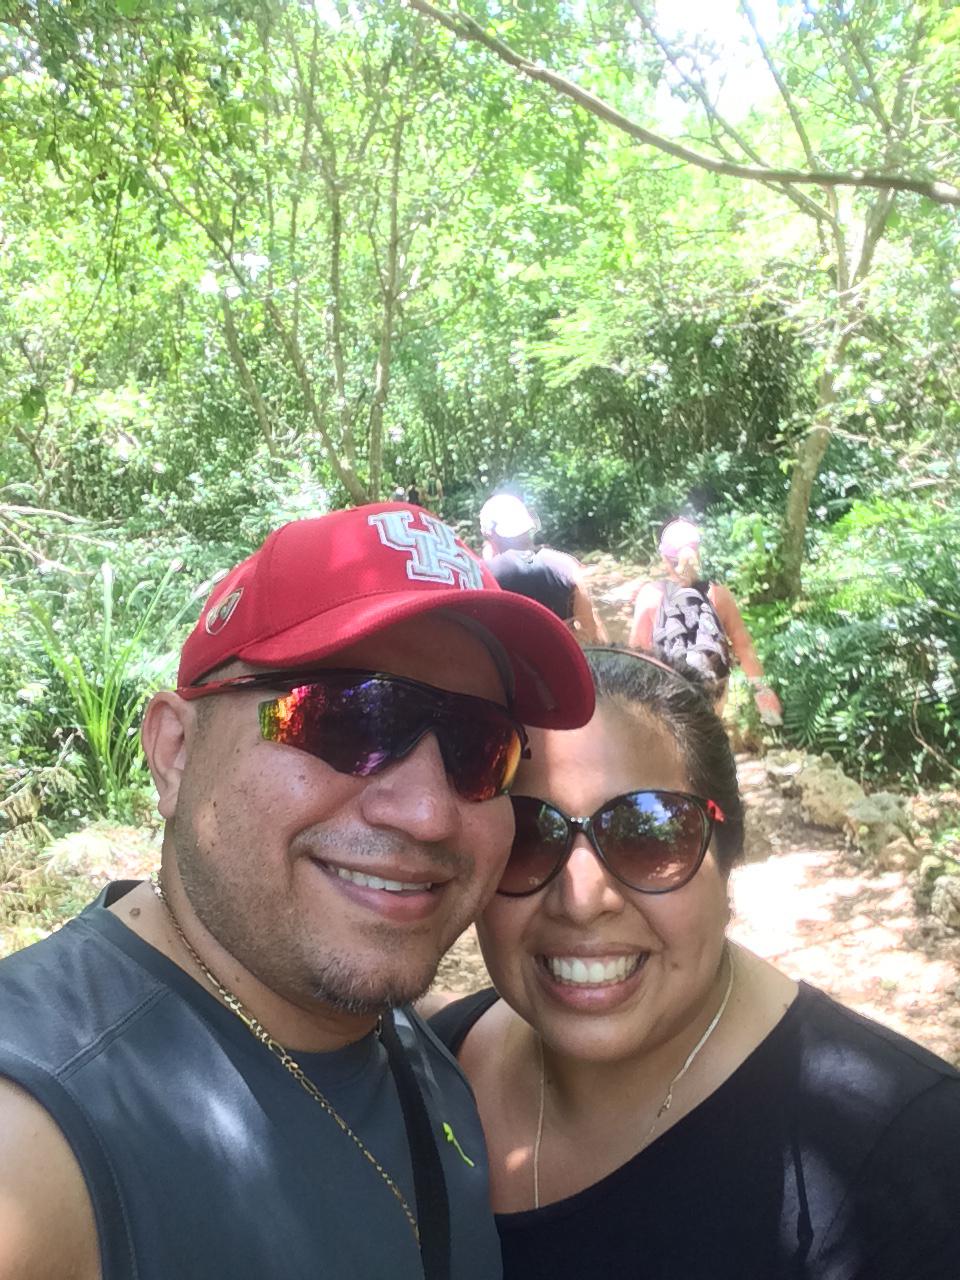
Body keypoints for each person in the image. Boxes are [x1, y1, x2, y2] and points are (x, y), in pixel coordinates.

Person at [0, 502, 595, 1280]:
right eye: (344, 719)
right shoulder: (37, 1139)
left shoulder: (397, 1040)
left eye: (480, 748)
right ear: (175, 751)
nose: (427, 813)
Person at [429, 647, 960, 1280]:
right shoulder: (427, 1070)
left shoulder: (911, 1158)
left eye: (648, 833)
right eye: (527, 835)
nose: (581, 900)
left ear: (728, 858)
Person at [629, 518, 783, 723]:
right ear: (698, 553)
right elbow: (743, 647)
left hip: (669, 695)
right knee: (710, 731)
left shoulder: (650, 596)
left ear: (664, 559)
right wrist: (762, 690)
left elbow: (636, 653)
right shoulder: (719, 595)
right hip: (713, 692)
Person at [478, 494, 607, 644]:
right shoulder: (565, 565)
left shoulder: (484, 575)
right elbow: (593, 632)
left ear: (489, 534)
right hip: (560, 654)